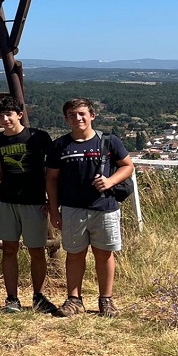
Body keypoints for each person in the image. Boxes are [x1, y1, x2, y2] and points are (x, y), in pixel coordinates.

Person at [46, 98, 135, 317]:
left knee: (104, 254)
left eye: (82, 114)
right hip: (72, 208)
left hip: (104, 207)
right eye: (72, 115)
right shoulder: (60, 145)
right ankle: (74, 300)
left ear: (92, 115)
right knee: (74, 254)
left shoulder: (109, 141)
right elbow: (51, 179)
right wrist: (54, 210)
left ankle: (106, 300)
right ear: (66, 119)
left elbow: (128, 166)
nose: (78, 118)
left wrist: (110, 181)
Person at [0, 97, 56, 313]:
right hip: (7, 201)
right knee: (9, 250)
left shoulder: (38, 137)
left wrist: (52, 201)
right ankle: (12, 298)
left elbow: (52, 172)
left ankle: (39, 296)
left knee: (36, 250)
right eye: (0, 116)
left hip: (35, 201)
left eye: (9, 114)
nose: (5, 119)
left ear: (19, 114)